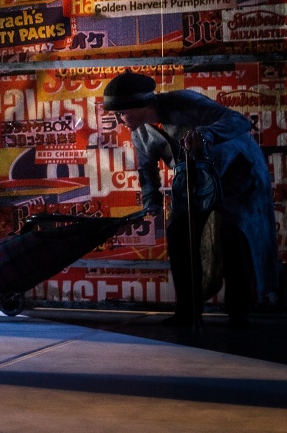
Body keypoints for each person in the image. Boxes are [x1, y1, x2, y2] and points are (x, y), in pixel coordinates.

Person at [102, 69, 277, 328]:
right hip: (194, 182)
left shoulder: (185, 101)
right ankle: (188, 312)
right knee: (179, 236)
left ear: (140, 105)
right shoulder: (139, 133)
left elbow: (238, 122)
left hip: (236, 175)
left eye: (121, 112)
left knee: (233, 238)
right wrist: (151, 200)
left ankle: (239, 313)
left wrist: (207, 134)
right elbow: (146, 169)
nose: (118, 119)